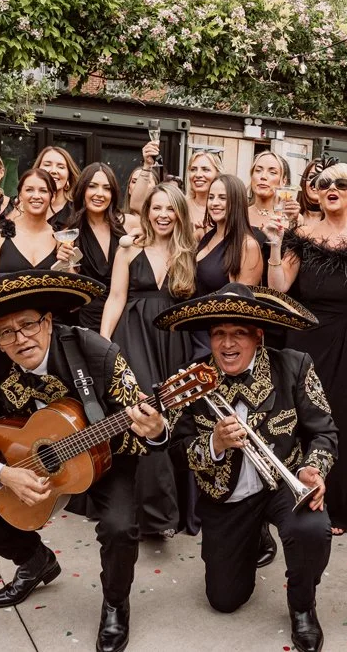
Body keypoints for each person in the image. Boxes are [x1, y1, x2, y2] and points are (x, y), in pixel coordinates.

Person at [0, 270, 169, 652]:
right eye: (6, 332)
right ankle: (34, 559)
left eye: (28, 324)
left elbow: (147, 429)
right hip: (29, 461)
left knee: (120, 527)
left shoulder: (95, 351)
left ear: (49, 321)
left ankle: (115, 604)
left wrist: (154, 428)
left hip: (108, 457)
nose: (20, 338)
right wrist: (5, 474)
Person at [154, 282, 335, 652]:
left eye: (238, 333)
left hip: (284, 483)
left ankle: (303, 607)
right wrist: (214, 444)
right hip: (227, 497)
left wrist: (313, 470)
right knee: (223, 600)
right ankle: (255, 536)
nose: (227, 344)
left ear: (258, 336)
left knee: (313, 528)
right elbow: (174, 450)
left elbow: (324, 431)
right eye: (219, 333)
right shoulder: (191, 381)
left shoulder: (293, 366)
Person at [266, 162, 347, 535]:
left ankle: (337, 505)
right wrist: (276, 245)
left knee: (341, 417)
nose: (331, 188)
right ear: (316, 193)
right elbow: (278, 289)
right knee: (299, 414)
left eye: (342, 183)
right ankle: (291, 494)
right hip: (305, 338)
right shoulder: (301, 236)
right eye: (324, 184)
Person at [100, 182, 197, 538]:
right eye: (156, 208)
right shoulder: (129, 250)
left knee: (172, 418)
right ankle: (155, 517)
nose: (162, 215)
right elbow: (115, 297)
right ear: (146, 212)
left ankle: (160, 511)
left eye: (170, 209)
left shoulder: (191, 253)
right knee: (144, 411)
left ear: (179, 214)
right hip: (134, 337)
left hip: (174, 343)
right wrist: (105, 343)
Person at [65, 163, 136, 331]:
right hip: (87, 321)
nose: (99, 194)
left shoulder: (129, 224)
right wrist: (66, 264)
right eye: (92, 187)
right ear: (82, 190)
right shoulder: (70, 234)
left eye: (106, 188)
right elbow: (75, 290)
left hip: (127, 318)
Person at [0, 169, 64, 286]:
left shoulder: (60, 238)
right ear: (20, 196)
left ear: (52, 196)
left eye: (43, 191)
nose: (36, 196)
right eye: (29, 190)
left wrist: (68, 263)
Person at [196, 175, 264, 294]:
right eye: (211, 197)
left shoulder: (248, 245)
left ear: (237, 202)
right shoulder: (205, 236)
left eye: (222, 198)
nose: (214, 203)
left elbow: (242, 303)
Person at [33, 146, 81, 230]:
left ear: (69, 175)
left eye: (61, 167)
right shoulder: (21, 207)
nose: (53, 171)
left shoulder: (78, 212)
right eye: (47, 165)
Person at [127, 140, 162, 215]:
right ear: (129, 189)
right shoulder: (119, 219)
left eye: (146, 181)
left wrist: (147, 165)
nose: (139, 185)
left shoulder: (159, 218)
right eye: (134, 181)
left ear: (156, 187)